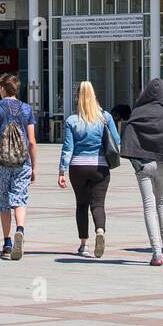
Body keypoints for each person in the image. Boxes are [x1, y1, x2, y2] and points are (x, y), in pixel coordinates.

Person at [119, 78, 163, 267]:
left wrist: (136, 162)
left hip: (144, 164)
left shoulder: (138, 113)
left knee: (149, 206)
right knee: (162, 204)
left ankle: (156, 252)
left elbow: (128, 137)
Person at [58, 81, 120, 257]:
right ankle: (100, 231)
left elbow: (68, 148)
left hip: (78, 167)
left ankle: (83, 244)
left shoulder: (72, 120)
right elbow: (116, 140)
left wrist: (62, 170)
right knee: (98, 204)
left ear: (78, 97)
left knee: (81, 204)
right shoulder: (105, 117)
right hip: (100, 166)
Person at [0, 73, 37, 260]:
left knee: (4, 202)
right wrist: (34, 167)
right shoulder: (27, 110)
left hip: (0, 162)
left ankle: (7, 243)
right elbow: (32, 141)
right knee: (20, 199)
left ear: (2, 89)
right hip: (23, 163)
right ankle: (20, 229)